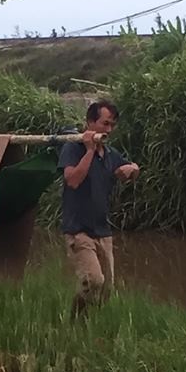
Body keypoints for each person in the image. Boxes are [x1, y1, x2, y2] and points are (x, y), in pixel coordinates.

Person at [59, 101, 140, 316]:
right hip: (79, 230)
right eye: (105, 123)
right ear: (90, 122)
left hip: (103, 230)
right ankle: (75, 321)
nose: (109, 130)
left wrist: (132, 170)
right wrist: (89, 151)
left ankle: (89, 325)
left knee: (106, 289)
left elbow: (128, 169)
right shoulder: (72, 148)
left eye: (112, 125)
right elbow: (73, 180)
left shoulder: (110, 154)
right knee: (94, 281)